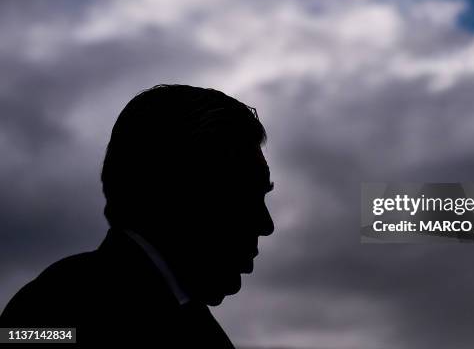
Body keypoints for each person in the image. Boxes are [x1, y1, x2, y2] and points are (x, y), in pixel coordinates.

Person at [0, 84, 275, 346]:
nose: (266, 225)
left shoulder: (58, 303)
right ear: (181, 194)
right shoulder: (53, 312)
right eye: (247, 196)